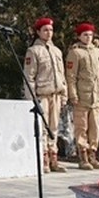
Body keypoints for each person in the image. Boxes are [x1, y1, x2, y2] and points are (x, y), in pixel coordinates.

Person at [23, 17, 68, 173]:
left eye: (51, 30)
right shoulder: (33, 51)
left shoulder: (57, 51)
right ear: (38, 32)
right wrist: (31, 99)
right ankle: (44, 160)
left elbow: (62, 74)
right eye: (45, 30)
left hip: (55, 94)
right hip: (41, 95)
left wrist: (64, 95)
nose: (49, 33)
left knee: (54, 128)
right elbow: (29, 76)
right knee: (43, 128)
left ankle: (54, 157)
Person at [65, 22, 99, 170]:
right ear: (79, 36)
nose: (88, 37)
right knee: (81, 126)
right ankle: (83, 156)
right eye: (85, 35)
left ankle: (93, 155)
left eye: (90, 34)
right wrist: (73, 95)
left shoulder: (97, 52)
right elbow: (71, 76)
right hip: (82, 96)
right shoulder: (75, 53)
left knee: (95, 126)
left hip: (95, 95)